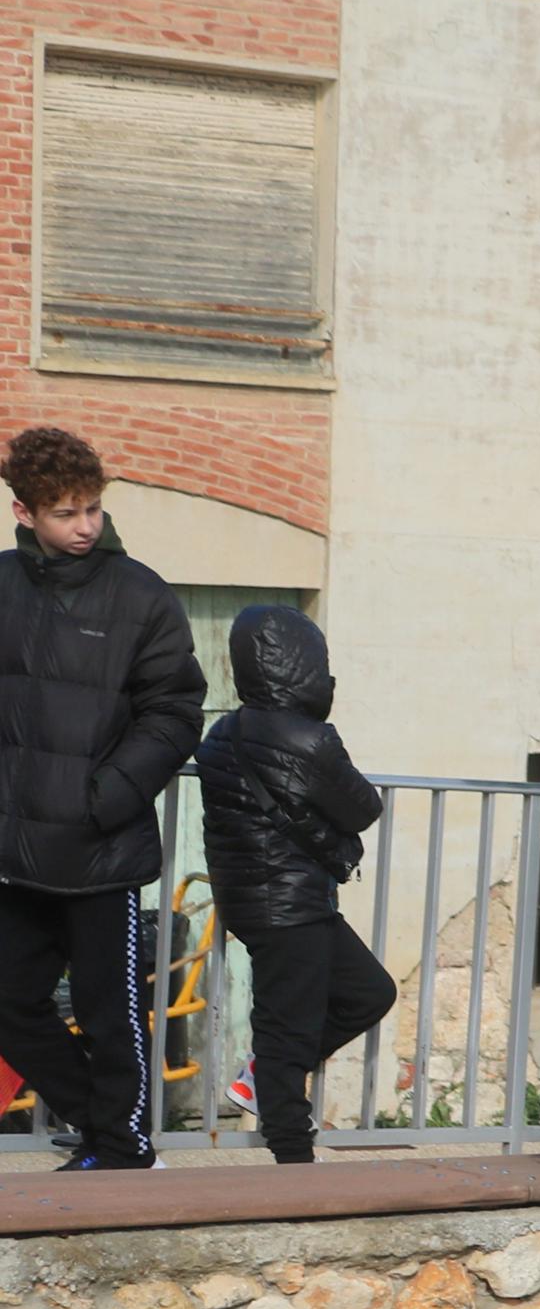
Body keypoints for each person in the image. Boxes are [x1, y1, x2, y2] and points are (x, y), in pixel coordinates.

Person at [0, 425, 199, 1170]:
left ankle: (120, 1148)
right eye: (66, 513)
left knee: (108, 1011)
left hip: (99, 848)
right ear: (24, 513)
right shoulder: (2, 584)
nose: (85, 525)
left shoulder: (140, 594)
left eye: (92, 508)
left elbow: (175, 710)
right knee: (9, 1001)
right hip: (14, 849)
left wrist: (108, 795)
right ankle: (103, 1127)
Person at [195, 609, 389, 1167]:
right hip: (288, 901)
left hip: (262, 899)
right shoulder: (310, 739)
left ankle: (262, 1078)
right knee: (287, 1031)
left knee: (370, 992)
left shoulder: (221, 733)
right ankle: (292, 1157)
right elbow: (363, 808)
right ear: (304, 666)